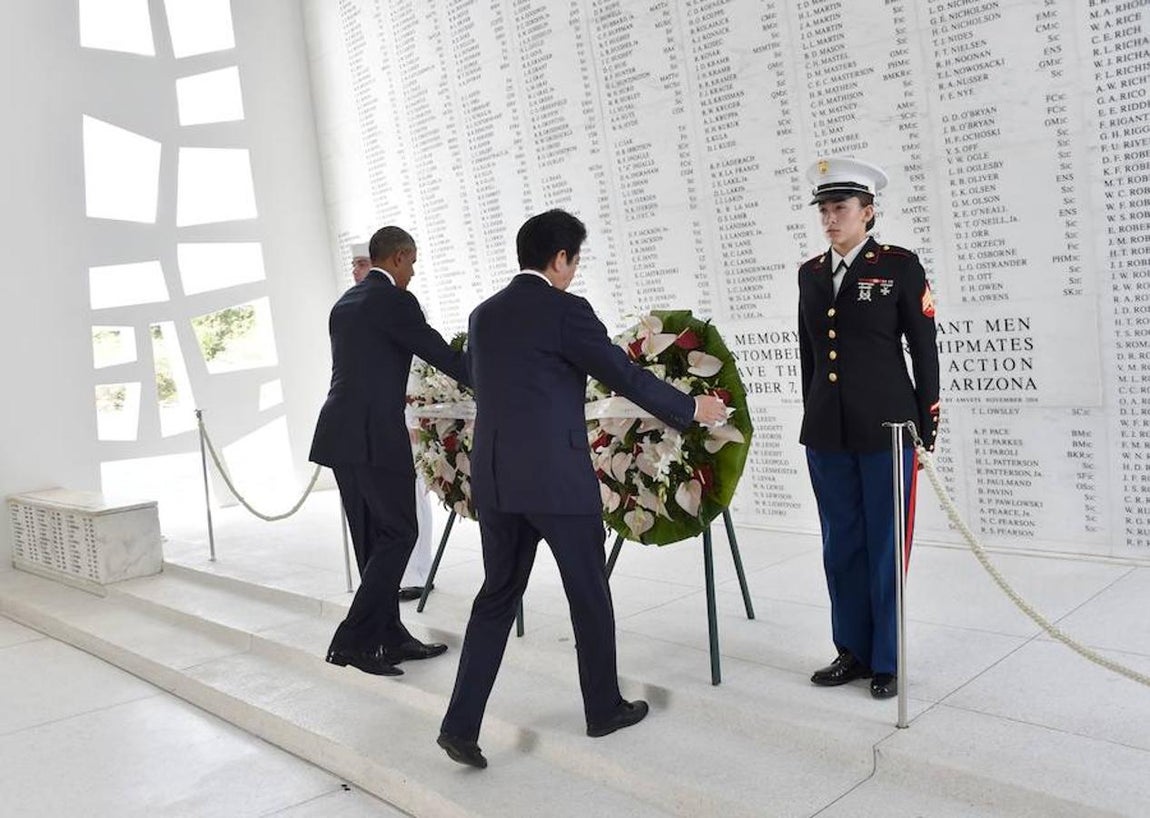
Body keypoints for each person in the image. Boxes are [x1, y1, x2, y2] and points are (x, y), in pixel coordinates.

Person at [436, 209, 729, 768]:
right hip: (557, 481)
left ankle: (460, 723)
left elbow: (483, 377)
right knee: (588, 595)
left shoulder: (483, 315)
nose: (573, 271)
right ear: (560, 258)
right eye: (575, 260)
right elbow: (625, 375)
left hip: (497, 481)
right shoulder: (566, 311)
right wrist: (692, 408)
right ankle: (603, 709)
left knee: (496, 598)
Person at [797, 157, 940, 700]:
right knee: (841, 545)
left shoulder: (898, 266)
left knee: (884, 546)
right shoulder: (810, 274)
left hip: (888, 429)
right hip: (828, 433)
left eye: (841, 209)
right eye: (825, 210)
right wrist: (812, 412)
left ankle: (887, 659)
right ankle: (851, 651)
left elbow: (923, 349)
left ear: (868, 212)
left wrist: (927, 423)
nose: (830, 219)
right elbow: (809, 353)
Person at [310, 226, 469, 677]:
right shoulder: (394, 300)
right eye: (413, 262)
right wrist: (491, 371)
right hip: (374, 436)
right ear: (398, 257)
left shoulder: (346, 302)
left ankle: (390, 637)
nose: (413, 272)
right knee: (400, 533)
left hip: (338, 435)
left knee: (373, 541)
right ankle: (353, 640)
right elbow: (439, 353)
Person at [352, 241, 435, 603]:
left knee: (407, 510)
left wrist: (416, 413)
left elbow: (422, 365)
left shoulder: (389, 302)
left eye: (361, 263)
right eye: (354, 264)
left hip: (395, 418)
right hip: (371, 427)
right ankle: (369, 619)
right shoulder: (354, 305)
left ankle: (415, 575)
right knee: (393, 525)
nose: (356, 271)